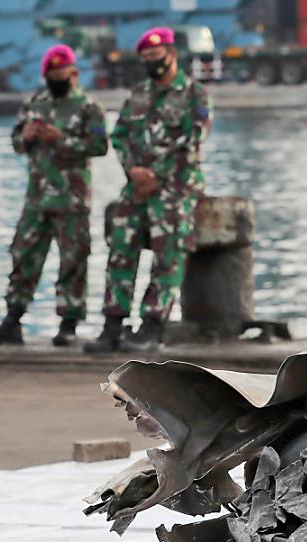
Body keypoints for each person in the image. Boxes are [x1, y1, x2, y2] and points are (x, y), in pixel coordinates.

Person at [85, 27, 213, 353]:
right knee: (120, 244)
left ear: (171, 54)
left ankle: (152, 325)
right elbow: (120, 136)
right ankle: (113, 323)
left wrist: (156, 174)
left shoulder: (194, 94)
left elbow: (193, 138)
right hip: (139, 186)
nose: (151, 64)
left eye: (155, 57)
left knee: (168, 249)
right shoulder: (138, 94)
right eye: (145, 59)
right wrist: (133, 171)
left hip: (176, 187)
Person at [0, 44, 108, 347]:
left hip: (72, 199)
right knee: (23, 254)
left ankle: (68, 323)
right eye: (51, 75)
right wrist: (27, 137)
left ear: (73, 73)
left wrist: (61, 140)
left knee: (73, 260)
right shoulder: (35, 103)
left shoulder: (89, 107)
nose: (56, 79)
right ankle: (12, 320)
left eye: (61, 74)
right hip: (37, 197)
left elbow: (100, 146)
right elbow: (15, 142)